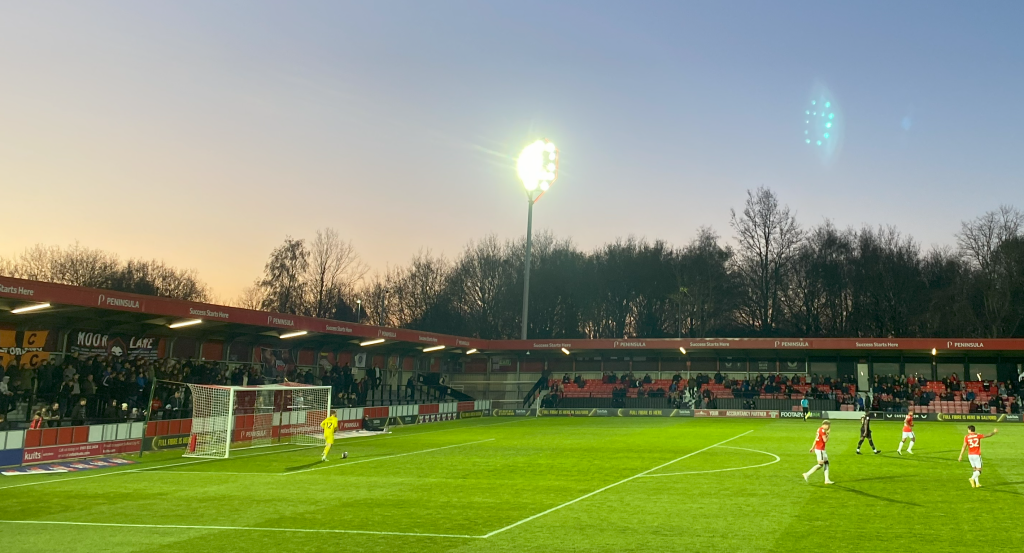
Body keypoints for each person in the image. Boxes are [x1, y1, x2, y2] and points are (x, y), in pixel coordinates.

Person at [802, 420, 834, 485]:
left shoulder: (819, 429)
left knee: (826, 463)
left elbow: (816, 439)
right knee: (820, 465)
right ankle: (807, 474)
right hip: (820, 450)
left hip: (818, 449)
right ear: (826, 425)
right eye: (828, 426)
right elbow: (825, 440)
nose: (829, 427)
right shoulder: (822, 431)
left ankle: (826, 480)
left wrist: (812, 447)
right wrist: (828, 434)